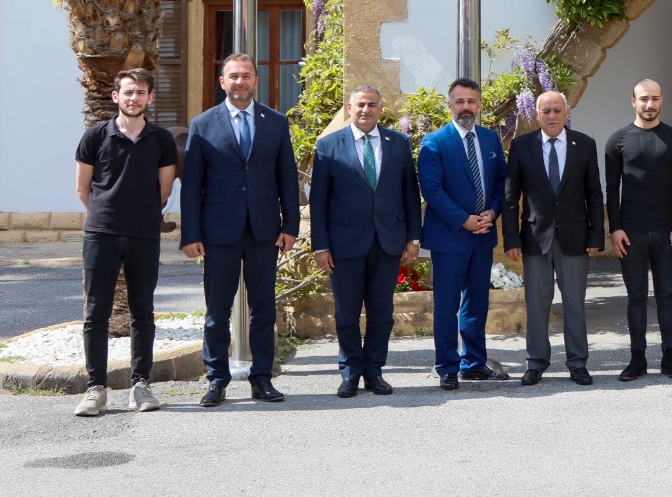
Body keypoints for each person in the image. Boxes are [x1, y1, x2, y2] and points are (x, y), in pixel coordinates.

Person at [180, 53, 300, 407]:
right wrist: (191, 233)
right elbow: (192, 186)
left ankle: (262, 379)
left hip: (265, 231)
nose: (240, 82)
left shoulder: (275, 122)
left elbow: (287, 179)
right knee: (217, 311)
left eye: (246, 75)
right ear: (222, 82)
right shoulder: (203, 124)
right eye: (233, 76)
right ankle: (217, 380)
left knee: (263, 309)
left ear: (255, 81)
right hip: (218, 232)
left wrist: (290, 226)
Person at [72, 69, 179, 417]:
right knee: (95, 313)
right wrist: (106, 216)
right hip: (101, 234)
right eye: (128, 92)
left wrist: (138, 215)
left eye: (141, 93)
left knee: (142, 311)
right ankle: (95, 389)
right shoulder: (94, 136)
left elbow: (164, 191)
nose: (134, 98)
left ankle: (140, 385)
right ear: (115, 96)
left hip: (144, 235)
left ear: (150, 98)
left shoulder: (161, 140)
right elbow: (83, 188)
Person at [309, 85, 422, 398]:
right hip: (344, 243)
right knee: (346, 313)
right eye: (360, 104)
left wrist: (413, 237)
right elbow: (319, 201)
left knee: (381, 313)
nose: (366, 110)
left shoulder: (398, 143)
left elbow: (410, 193)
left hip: (387, 241)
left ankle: (374, 371)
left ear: (380, 110)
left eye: (372, 105)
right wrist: (321, 245)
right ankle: (349, 373)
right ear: (350, 108)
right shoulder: (329, 145)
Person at [504, 90, 604, 387]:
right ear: (537, 115)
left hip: (575, 236)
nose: (551, 116)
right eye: (546, 111)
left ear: (566, 113)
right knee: (537, 304)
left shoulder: (584, 144)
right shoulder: (521, 145)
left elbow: (594, 193)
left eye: (557, 110)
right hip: (535, 238)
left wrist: (596, 233)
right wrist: (511, 239)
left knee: (574, 303)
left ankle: (578, 363)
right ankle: (536, 363)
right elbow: (510, 197)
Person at [419, 77, 510, 390]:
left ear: (479, 105)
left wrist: (492, 213)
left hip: (483, 234)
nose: (466, 107)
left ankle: (473, 363)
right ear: (450, 106)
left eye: (471, 101)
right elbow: (432, 189)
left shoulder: (490, 139)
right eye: (460, 101)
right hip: (450, 238)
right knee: (447, 305)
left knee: (477, 303)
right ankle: (447, 366)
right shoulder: (434, 142)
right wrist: (464, 220)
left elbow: (500, 182)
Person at [605, 79, 672, 382]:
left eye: (654, 98)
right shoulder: (618, 140)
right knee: (636, 296)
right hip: (632, 231)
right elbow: (611, 188)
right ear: (633, 101)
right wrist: (615, 228)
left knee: (666, 295)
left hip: (667, 229)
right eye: (643, 99)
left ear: (661, 100)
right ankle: (637, 358)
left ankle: (670, 357)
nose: (649, 104)